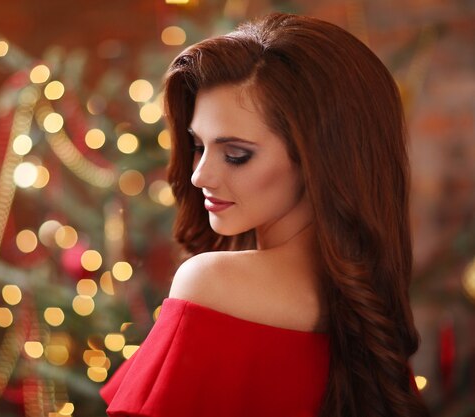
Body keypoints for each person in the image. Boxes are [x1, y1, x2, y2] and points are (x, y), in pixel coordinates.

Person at [101, 12, 429, 417]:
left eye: (237, 155)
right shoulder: (368, 317)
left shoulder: (210, 283)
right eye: (198, 146)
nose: (200, 175)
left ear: (321, 162)